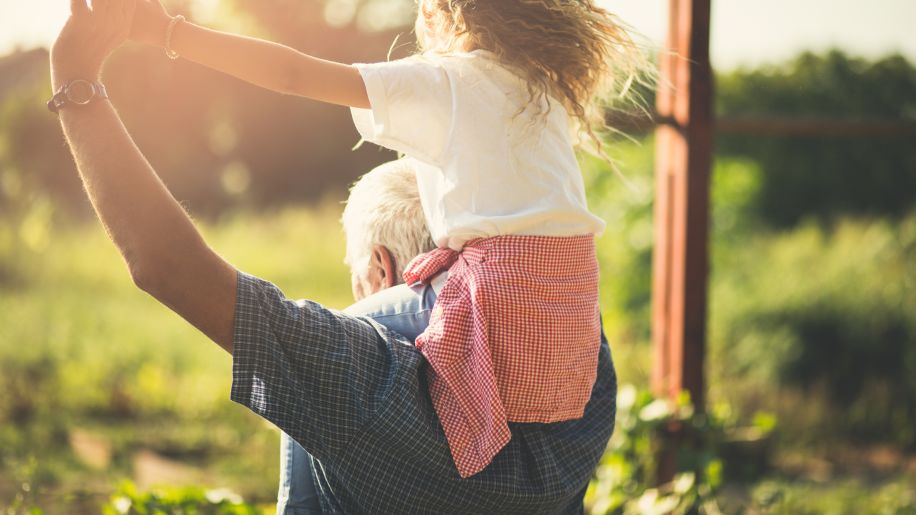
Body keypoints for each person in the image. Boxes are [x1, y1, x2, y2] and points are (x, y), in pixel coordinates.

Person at [49, 1, 617, 512]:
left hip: (438, 354)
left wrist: (163, 34)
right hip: (571, 290)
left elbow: (291, 74)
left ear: (381, 268)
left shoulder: (450, 80)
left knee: (313, 396)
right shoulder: (588, 373)